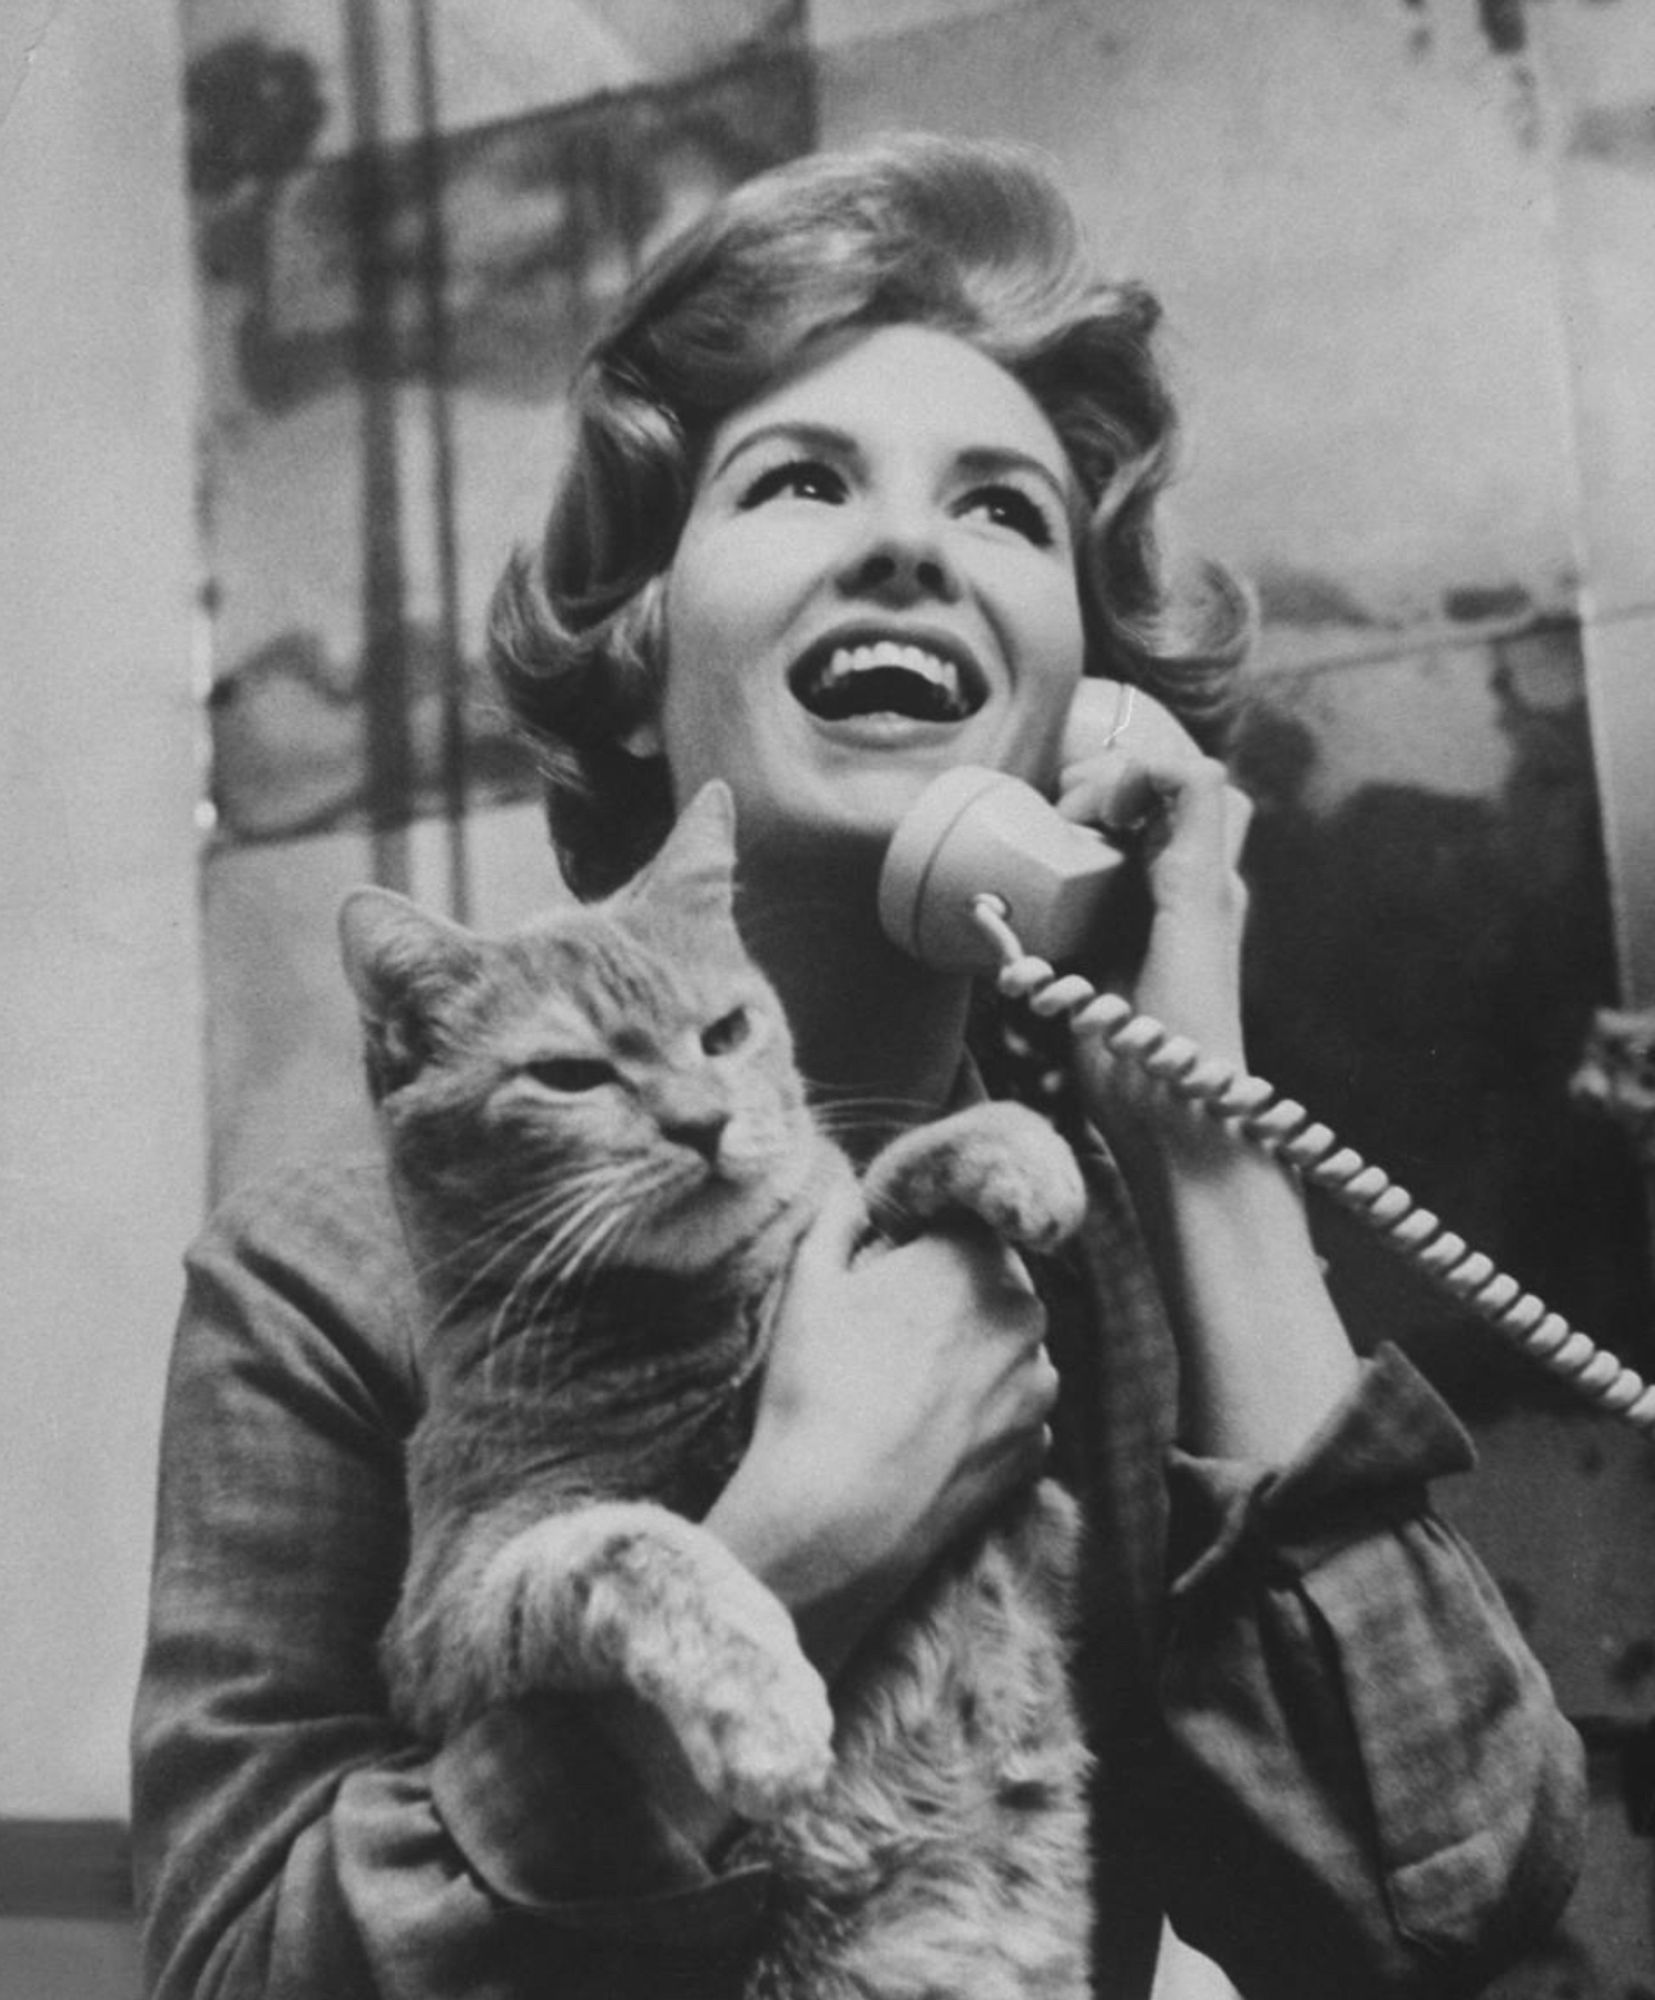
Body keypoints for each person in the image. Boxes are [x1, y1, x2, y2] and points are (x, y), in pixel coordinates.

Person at [132, 134, 1585, 1999]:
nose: (908, 541)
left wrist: (1196, 1111)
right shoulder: (324, 1276)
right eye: (802, 479)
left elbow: (1448, 1908)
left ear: (1083, 693)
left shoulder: (1115, 1238)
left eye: (1005, 510)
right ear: (642, 646)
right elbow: (228, 1974)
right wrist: (805, 1536)